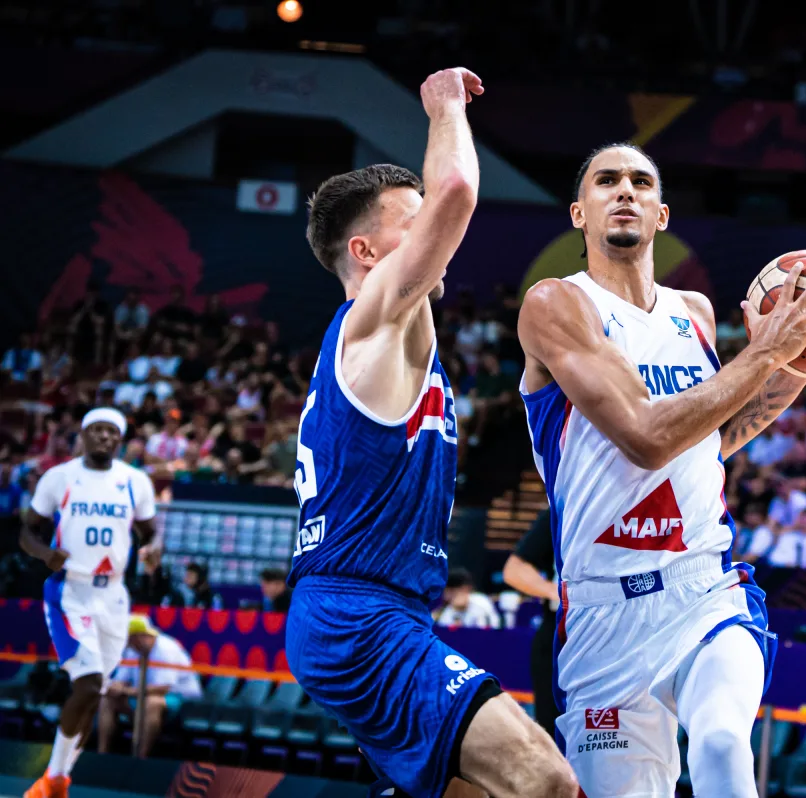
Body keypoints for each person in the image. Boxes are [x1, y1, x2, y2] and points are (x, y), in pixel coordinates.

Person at [518, 142, 806, 798]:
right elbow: (646, 438)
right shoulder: (556, 303)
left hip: (701, 589)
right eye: (607, 180)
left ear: (662, 215)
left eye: (641, 182)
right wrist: (764, 355)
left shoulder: (692, 312)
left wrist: (801, 359)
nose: (625, 190)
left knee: (723, 744)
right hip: (601, 614)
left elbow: (711, 438)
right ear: (579, 213)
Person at [283, 68, 575, 798]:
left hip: (374, 613)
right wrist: (444, 106)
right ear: (366, 253)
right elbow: (458, 192)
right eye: (410, 225)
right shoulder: (373, 321)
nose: (433, 238)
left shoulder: (390, 336)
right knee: (543, 779)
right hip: (359, 617)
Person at [19, 408, 159, 798]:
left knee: (95, 693)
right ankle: (52, 780)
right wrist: (45, 554)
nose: (105, 437)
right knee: (89, 683)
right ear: (83, 434)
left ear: (120, 440)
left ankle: (57, 780)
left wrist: (153, 550)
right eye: (97, 430)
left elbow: (150, 533)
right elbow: (27, 531)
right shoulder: (60, 477)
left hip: (114, 595)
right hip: (71, 591)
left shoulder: (135, 481)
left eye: (112, 431)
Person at [98, 615, 202, 758]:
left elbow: (163, 688)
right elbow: (122, 680)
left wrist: (127, 691)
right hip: (142, 695)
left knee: (152, 703)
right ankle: (102, 754)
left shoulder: (166, 649)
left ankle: (141, 758)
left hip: (181, 699)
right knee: (108, 700)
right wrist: (115, 687)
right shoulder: (133, 650)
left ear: (138, 636)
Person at [502, 511, 562, 736]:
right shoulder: (560, 509)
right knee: (553, 730)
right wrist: (560, 593)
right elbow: (514, 570)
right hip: (561, 633)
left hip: (621, 635)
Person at [435, 568, 501, 629]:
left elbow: (488, 630)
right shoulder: (448, 609)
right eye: (445, 591)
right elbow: (445, 630)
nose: (446, 596)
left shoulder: (480, 601)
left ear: (465, 588)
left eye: (451, 591)